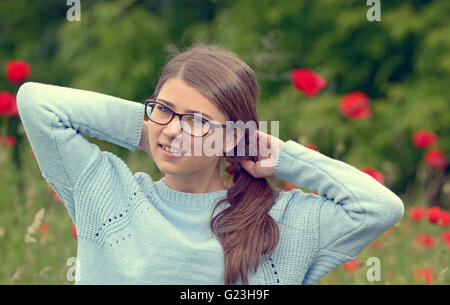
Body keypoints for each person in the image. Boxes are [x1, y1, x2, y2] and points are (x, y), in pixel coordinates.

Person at [16, 44, 404, 285]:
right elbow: (36, 103)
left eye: (197, 121)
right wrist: (152, 133)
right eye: (164, 108)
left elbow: (380, 208)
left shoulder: (282, 223)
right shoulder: (107, 194)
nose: (174, 129)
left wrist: (284, 157)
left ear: (233, 135)